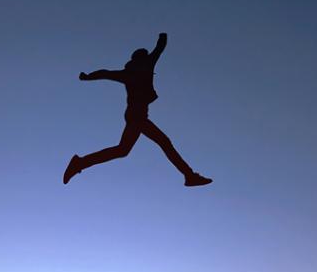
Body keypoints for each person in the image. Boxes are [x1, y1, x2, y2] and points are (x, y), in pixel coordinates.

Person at [63, 33, 213, 187]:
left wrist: (88, 77)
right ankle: (189, 175)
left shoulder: (131, 72)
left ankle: (80, 163)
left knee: (123, 150)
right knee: (163, 143)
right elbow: (158, 50)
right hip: (137, 117)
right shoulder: (143, 67)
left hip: (136, 116)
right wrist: (162, 38)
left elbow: (106, 73)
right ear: (141, 59)